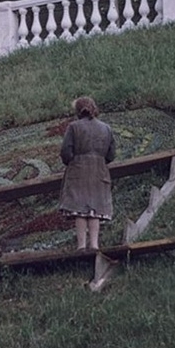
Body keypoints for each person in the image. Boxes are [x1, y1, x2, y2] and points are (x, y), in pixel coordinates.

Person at [58, 96, 116, 251]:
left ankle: (81, 245)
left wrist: (71, 161)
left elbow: (65, 151)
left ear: (78, 110)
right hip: (99, 170)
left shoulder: (73, 127)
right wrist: (100, 161)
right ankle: (95, 245)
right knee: (95, 209)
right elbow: (111, 154)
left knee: (80, 208)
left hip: (78, 169)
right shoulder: (106, 128)